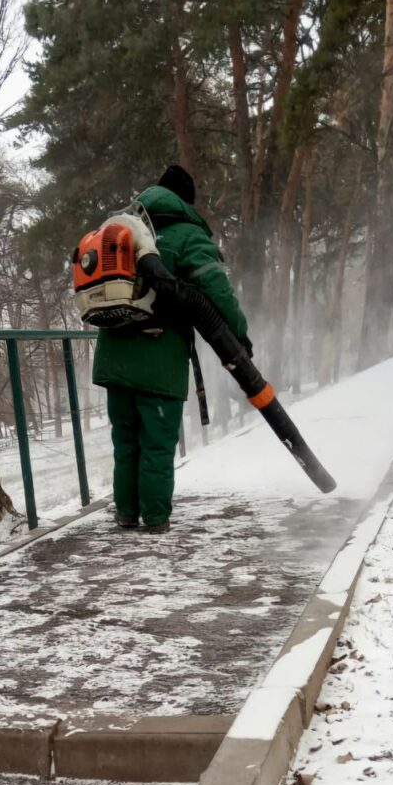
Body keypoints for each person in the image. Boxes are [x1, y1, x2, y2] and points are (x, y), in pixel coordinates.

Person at [91, 164, 250, 533]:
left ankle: (126, 515)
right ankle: (156, 522)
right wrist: (239, 336)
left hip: (113, 358)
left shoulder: (124, 227)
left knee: (126, 443)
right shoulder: (186, 235)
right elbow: (216, 290)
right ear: (186, 201)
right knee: (157, 448)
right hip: (158, 359)